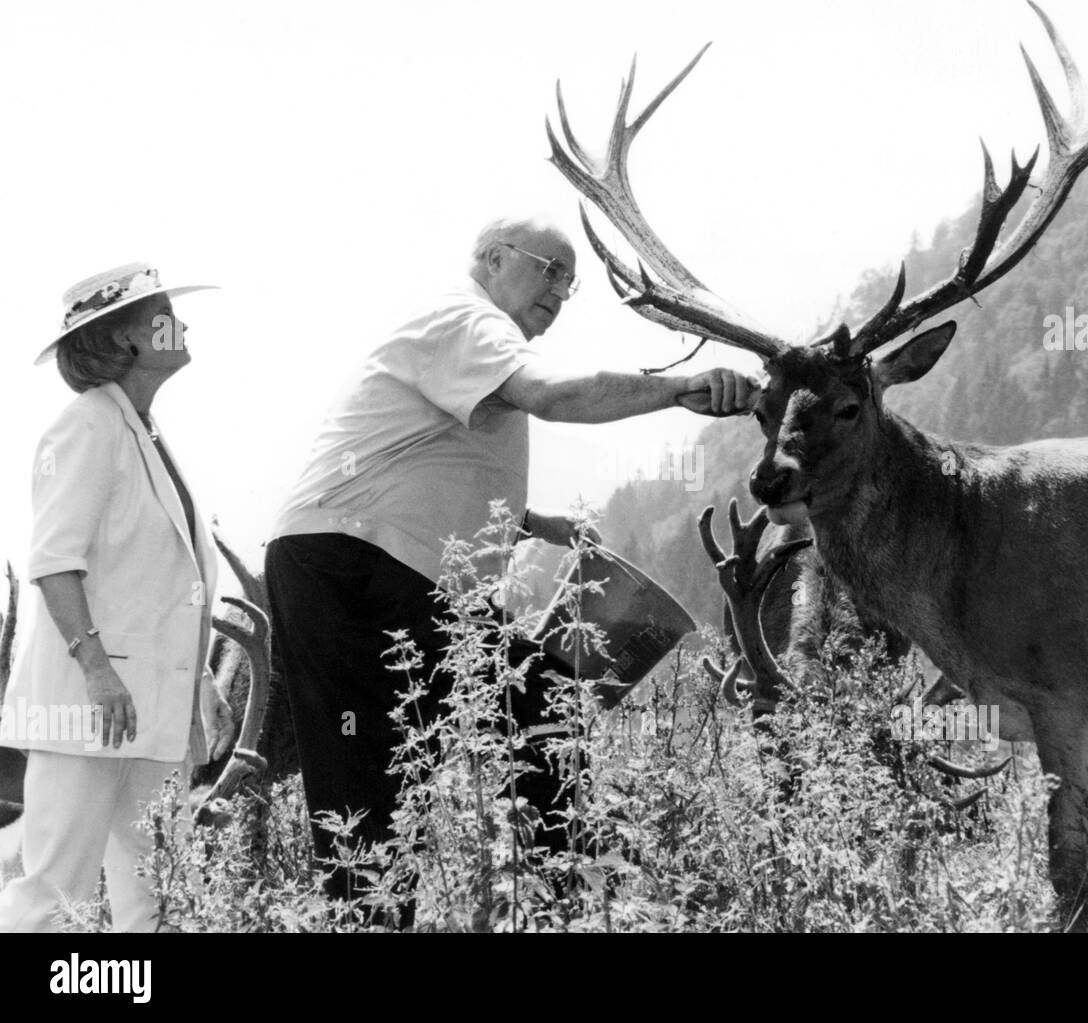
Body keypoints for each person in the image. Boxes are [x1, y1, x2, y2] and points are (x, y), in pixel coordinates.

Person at [266, 217, 757, 908]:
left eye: (570, 280)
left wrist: (535, 522)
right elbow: (554, 395)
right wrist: (677, 387)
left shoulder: (467, 343)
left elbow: (417, 464)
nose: (559, 289)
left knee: (475, 741)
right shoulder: (469, 322)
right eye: (546, 267)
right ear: (493, 260)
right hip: (355, 567)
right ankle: (561, 900)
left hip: (378, 566)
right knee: (384, 780)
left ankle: (558, 899)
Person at [0, 263, 235, 932]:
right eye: (165, 314)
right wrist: (97, 669)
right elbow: (53, 562)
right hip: (86, 709)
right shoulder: (89, 426)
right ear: (127, 339)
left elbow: (169, 588)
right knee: (53, 897)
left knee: (158, 897)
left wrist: (198, 685)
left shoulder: (146, 432)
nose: (182, 324)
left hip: (154, 714)